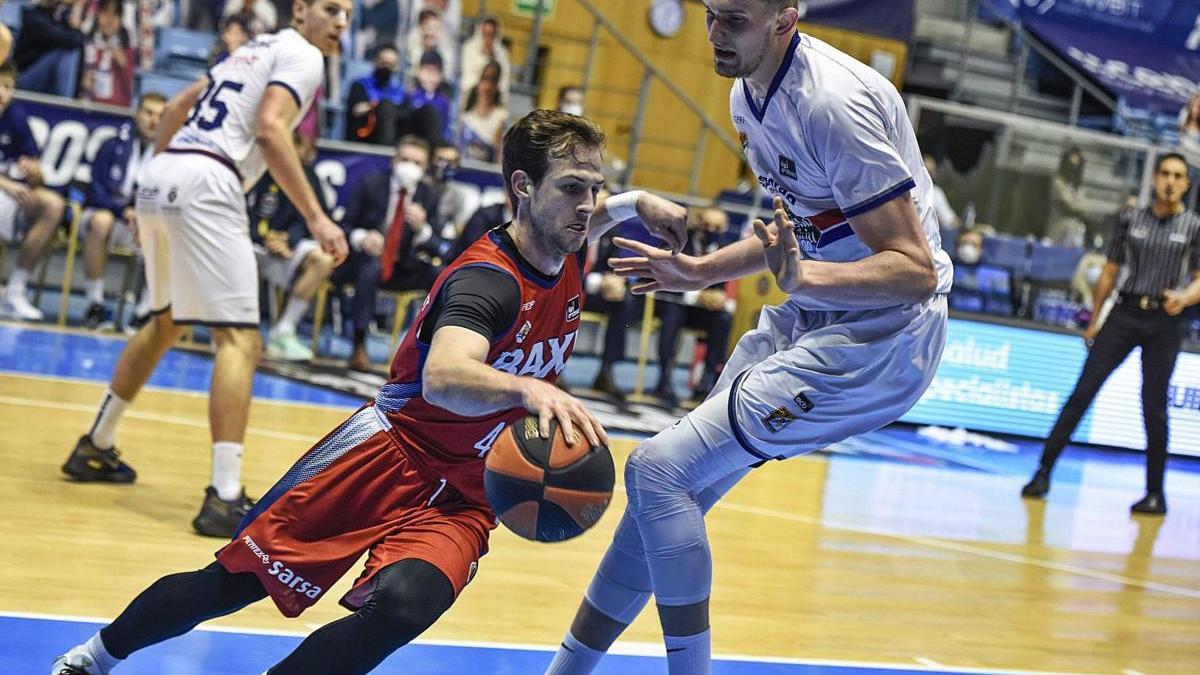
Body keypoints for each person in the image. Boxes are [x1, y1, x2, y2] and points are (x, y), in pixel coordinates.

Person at [50, 108, 690, 675]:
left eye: (595, 189)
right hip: (389, 455)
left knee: (406, 606)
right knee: (228, 585)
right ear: (522, 188)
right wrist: (527, 390)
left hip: (467, 491)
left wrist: (638, 202)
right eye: (572, 189)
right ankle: (95, 657)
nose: (587, 205)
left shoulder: (567, 243)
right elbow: (444, 375)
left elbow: (596, 217)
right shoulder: (486, 283)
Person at [544, 2, 953, 673]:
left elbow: (914, 271)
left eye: (734, 18)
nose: (714, 32)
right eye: (710, 12)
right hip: (817, 311)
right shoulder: (746, 95)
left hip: (883, 341)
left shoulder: (834, 105)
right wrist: (700, 270)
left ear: (786, 16)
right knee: (667, 493)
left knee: (657, 470)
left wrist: (805, 275)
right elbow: (797, 236)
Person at [58, 0, 350, 540]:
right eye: (331, 9)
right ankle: (225, 496)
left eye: (348, 15)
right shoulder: (304, 55)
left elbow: (172, 111)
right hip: (209, 179)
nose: (341, 23)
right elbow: (269, 129)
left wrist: (165, 180)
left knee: (165, 320)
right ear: (301, 11)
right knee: (239, 340)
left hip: (164, 172)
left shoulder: (248, 50)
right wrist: (317, 217)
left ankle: (95, 445)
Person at [1021, 153, 1200, 515]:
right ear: (1154, 178)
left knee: (1155, 406)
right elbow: (1110, 271)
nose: (1169, 180)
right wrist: (1094, 320)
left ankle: (1155, 494)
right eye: (1164, 172)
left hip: (1164, 318)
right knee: (1082, 392)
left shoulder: (1194, 226)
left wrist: (1182, 298)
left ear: (1186, 183)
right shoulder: (1131, 218)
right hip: (1125, 310)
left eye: (1177, 175)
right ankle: (1042, 473)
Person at [78, 93, 166, 330]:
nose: (154, 120)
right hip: (109, 217)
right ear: (137, 114)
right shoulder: (112, 145)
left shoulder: (171, 157)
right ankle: (94, 303)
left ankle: (145, 310)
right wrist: (123, 210)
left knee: (162, 230)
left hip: (144, 225)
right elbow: (94, 193)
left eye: (161, 115)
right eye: (148, 113)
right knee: (101, 221)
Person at [248, 133, 336, 361]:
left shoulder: (308, 177)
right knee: (240, 253)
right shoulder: (255, 170)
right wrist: (262, 236)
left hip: (289, 245)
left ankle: (284, 330)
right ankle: (244, 330)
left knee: (323, 260)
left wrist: (288, 241)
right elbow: (242, 211)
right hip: (251, 243)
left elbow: (312, 219)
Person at [0, 61, 68, 322]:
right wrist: (5, 183)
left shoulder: (16, 116)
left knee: (53, 205)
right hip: (5, 188)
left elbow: (37, 175)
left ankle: (16, 290)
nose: (2, 93)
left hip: (11, 195)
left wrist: (35, 173)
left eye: (8, 86)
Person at [13, 0, 85, 98]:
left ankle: (71, 100)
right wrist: (75, 27)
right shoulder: (32, 16)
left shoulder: (59, 18)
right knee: (66, 51)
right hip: (23, 80)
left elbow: (78, 43)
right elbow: (73, 41)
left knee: (72, 52)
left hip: (48, 84)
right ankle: (66, 105)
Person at [79, 0, 134, 107]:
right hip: (88, 108)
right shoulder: (86, 45)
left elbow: (131, 90)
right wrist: (82, 83)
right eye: (105, 13)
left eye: (115, 15)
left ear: (121, 19)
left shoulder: (128, 49)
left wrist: (124, 65)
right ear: (97, 15)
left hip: (116, 112)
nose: (109, 20)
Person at [460, 61, 507, 163]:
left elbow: (499, 157)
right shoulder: (466, 115)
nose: (487, 86)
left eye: (493, 81)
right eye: (485, 79)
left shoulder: (501, 117)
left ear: (497, 86)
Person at [460, 13, 510, 100]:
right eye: (485, 33)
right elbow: (466, 80)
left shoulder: (502, 53)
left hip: (493, 100)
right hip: (470, 98)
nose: (488, 38)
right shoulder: (469, 48)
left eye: (491, 34)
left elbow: (504, 83)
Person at [407, 49, 453, 142]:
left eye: (434, 72)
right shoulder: (411, 96)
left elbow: (445, 128)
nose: (430, 76)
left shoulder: (443, 101)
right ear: (419, 72)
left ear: (441, 75)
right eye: (427, 70)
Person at [1047, 146, 1088, 247]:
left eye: (1076, 164)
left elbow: (1084, 206)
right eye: (1071, 164)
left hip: (1073, 228)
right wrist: (1076, 206)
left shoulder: (1078, 186)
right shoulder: (1058, 181)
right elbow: (1068, 203)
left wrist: (1078, 206)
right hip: (1058, 224)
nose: (1073, 168)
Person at [923, 154, 960, 229]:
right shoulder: (907, 190)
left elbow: (949, 218)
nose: (925, 175)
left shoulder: (936, 193)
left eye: (929, 172)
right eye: (924, 171)